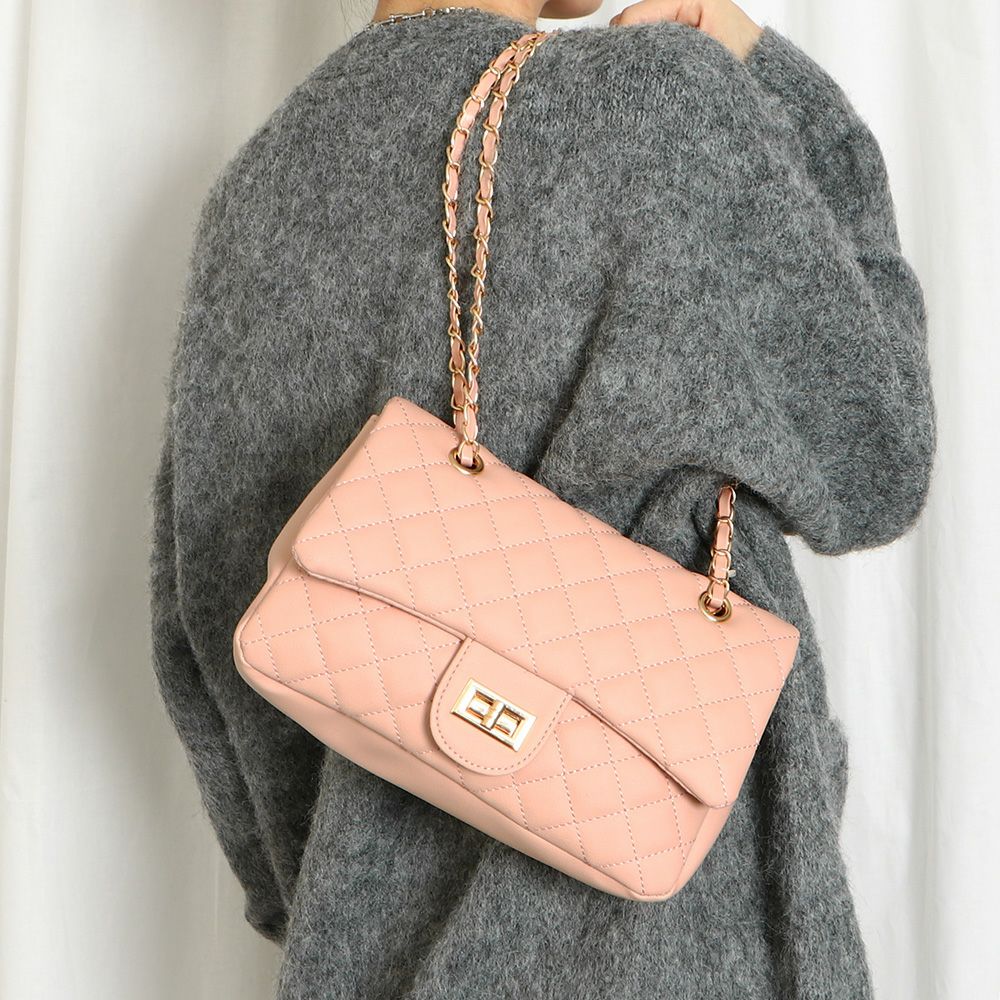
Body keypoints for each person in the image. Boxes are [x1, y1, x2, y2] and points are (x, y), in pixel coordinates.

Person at [148, 0, 936, 996]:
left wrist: (342, 898)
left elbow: (206, 619)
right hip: (672, 939)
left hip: (362, 955)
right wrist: (776, 84)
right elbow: (875, 462)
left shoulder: (264, 185)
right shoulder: (661, 104)